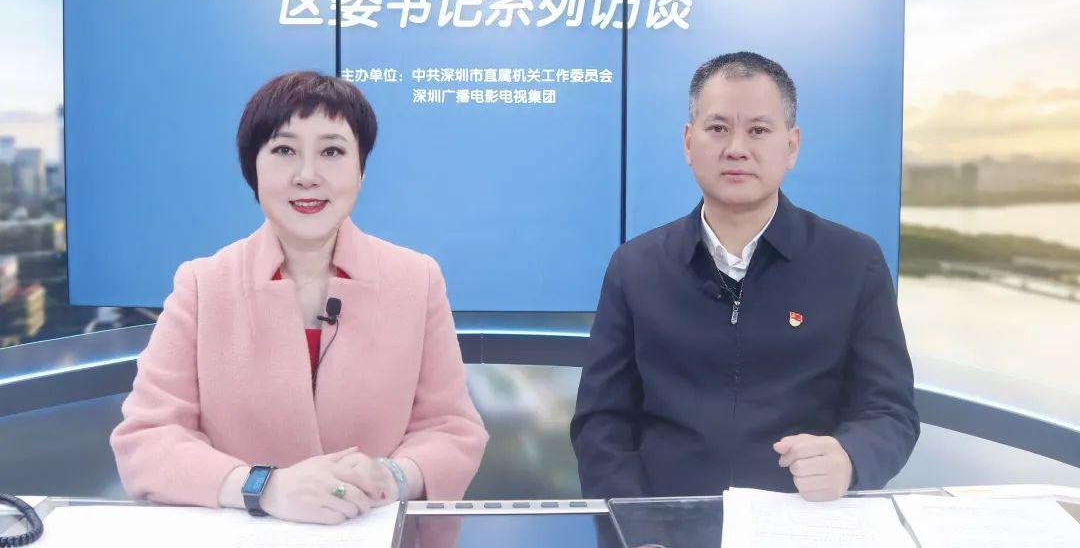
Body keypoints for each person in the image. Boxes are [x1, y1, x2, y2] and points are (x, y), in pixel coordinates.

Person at [111, 71, 488, 524]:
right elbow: (148, 438)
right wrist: (262, 486)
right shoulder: (202, 285)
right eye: (284, 151)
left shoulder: (416, 279)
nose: (307, 176)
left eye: (332, 152)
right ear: (253, 168)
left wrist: (391, 476)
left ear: (361, 169)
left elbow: (451, 429)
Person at [571, 52, 918, 501]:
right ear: (688, 142)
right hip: (667, 524)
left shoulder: (853, 263)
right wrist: (639, 523)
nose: (736, 148)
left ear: (791, 146)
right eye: (718, 128)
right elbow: (601, 422)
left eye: (758, 130)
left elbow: (891, 411)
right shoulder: (635, 267)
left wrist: (851, 458)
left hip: (804, 520)